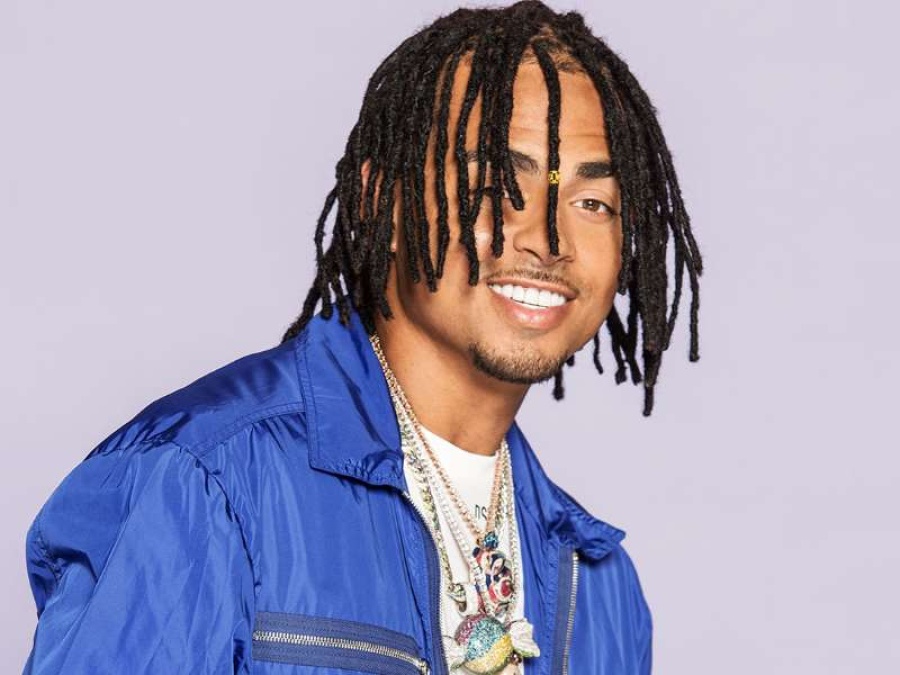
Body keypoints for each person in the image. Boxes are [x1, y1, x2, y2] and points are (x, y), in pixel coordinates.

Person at [22, 1, 702, 673]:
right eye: (500, 184)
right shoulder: (202, 480)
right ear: (384, 203)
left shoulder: (599, 587)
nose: (549, 240)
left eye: (593, 203)